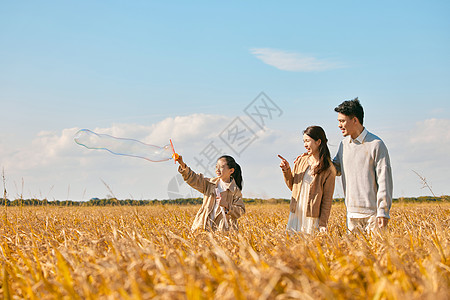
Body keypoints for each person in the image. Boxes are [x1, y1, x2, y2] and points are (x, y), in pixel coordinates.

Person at [333, 98, 393, 233]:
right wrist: (314, 156)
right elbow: (335, 169)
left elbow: (384, 179)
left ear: (355, 120)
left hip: (373, 215)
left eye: (342, 121)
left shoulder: (376, 144)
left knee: (377, 253)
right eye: (338, 122)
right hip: (351, 215)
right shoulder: (343, 145)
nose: (339, 125)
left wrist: (383, 211)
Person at [279, 126, 336, 234]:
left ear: (318, 142)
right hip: (296, 213)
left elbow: (327, 200)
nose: (305, 144)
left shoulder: (328, 169)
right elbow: (292, 186)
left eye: (307, 141)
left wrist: (323, 223)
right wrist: (286, 170)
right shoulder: (301, 161)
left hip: (312, 216)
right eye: (304, 141)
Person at [175, 154, 245, 231]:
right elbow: (194, 179)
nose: (217, 170)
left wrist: (227, 205)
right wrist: (182, 164)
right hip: (203, 227)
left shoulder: (235, 190)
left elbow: (240, 211)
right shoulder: (210, 184)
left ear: (231, 170)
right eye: (216, 167)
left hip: (223, 231)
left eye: (221, 167)